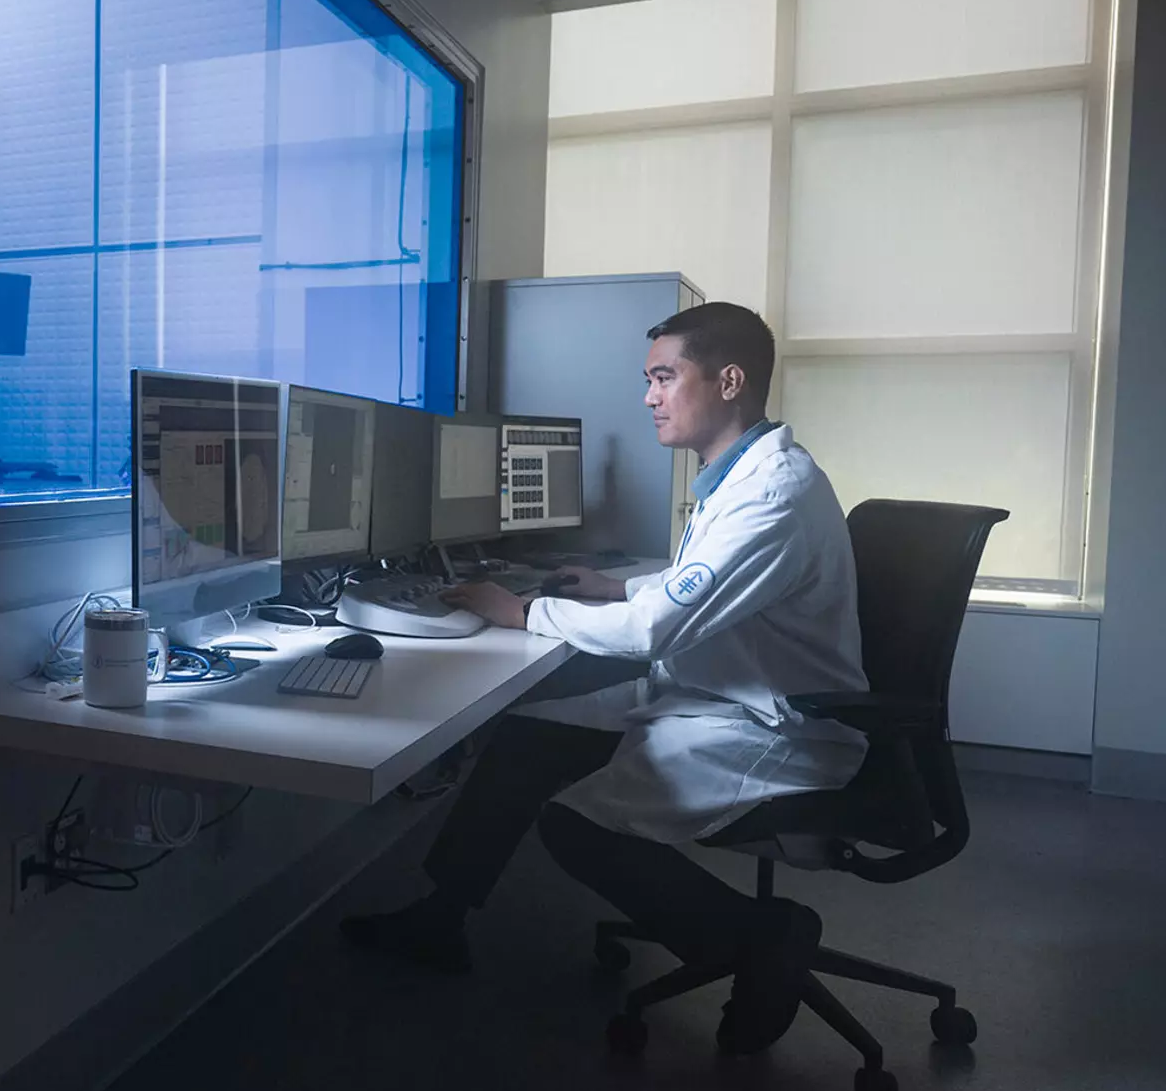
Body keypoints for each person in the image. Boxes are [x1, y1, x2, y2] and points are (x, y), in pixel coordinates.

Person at [341, 301, 868, 1052]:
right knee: (524, 737)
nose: (648, 396)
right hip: (714, 691)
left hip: (773, 724)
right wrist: (614, 586)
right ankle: (440, 918)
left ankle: (762, 935)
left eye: (663, 377)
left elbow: (660, 629)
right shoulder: (738, 475)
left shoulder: (772, 496)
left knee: (574, 823)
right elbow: (698, 589)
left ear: (728, 381)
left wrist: (523, 612)